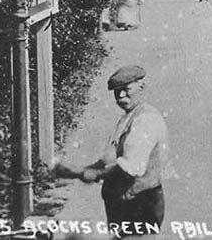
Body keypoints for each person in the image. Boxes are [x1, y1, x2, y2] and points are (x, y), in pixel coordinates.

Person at [57, 65, 168, 236]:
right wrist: (76, 171)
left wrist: (96, 174)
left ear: (141, 87)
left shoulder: (145, 120)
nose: (121, 95)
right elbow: (108, 160)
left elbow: (130, 167)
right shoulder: (128, 117)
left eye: (126, 89)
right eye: (117, 92)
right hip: (125, 205)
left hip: (139, 204)